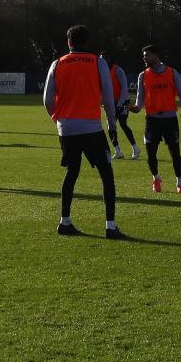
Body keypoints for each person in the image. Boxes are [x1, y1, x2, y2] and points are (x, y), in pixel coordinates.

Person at [43, 27, 126, 239]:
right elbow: (108, 96)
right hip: (91, 127)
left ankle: (65, 221)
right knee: (106, 175)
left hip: (67, 129)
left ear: (69, 41)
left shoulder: (57, 63)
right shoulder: (97, 62)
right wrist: (112, 124)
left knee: (72, 172)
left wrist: (59, 120)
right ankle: (110, 226)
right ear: (87, 41)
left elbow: (47, 99)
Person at [130, 45, 181, 194]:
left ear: (156, 56)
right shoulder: (143, 75)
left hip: (170, 119)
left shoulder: (172, 73)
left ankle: (180, 183)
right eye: (144, 55)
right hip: (152, 120)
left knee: (175, 153)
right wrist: (136, 108)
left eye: (147, 55)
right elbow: (140, 98)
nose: (144, 58)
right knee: (151, 153)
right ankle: (156, 178)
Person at [101, 51, 139, 159]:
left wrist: (120, 104)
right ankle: (117, 151)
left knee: (123, 123)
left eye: (104, 58)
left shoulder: (118, 70)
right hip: (110, 102)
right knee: (111, 127)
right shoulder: (102, 72)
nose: (103, 61)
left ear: (109, 59)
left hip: (123, 101)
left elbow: (124, 89)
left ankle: (135, 148)